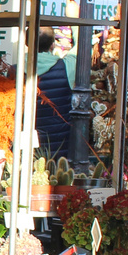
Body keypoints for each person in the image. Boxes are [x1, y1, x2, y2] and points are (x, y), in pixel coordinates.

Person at [33, 28, 75, 162]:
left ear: (27, 43)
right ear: (53, 44)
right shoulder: (67, 66)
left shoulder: (14, 70)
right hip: (60, 144)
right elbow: (83, 49)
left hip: (28, 144)